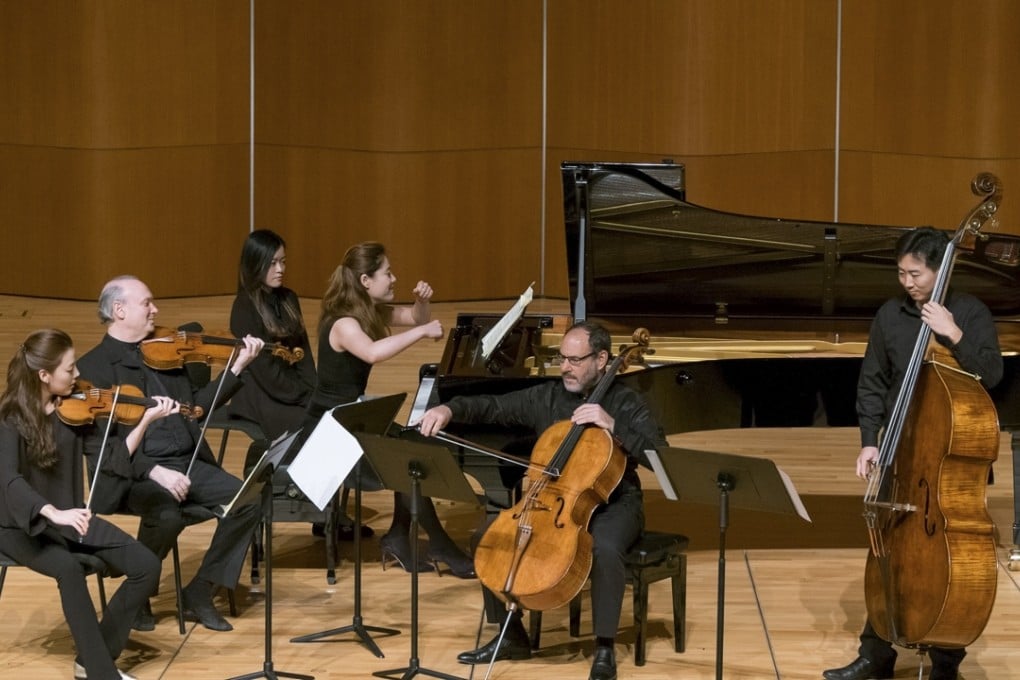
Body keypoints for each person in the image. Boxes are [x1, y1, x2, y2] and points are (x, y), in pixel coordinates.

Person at [416, 320, 667, 680]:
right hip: (552, 502)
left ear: (601, 359)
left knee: (606, 549)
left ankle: (604, 647)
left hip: (615, 502)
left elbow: (660, 456)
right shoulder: (548, 397)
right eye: (561, 358)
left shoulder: (627, 402)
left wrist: (613, 426)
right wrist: (449, 410)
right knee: (486, 538)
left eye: (575, 360)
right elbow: (491, 406)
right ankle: (512, 636)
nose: (564, 367)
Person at [822, 227, 1003, 680]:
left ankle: (946, 660)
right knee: (891, 547)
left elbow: (993, 374)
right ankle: (876, 650)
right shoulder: (889, 315)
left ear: (940, 270)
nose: (907, 282)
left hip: (949, 459)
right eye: (901, 273)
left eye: (916, 273)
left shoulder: (971, 312)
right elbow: (872, 383)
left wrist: (953, 333)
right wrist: (869, 440)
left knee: (947, 555)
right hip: (901, 455)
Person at [76, 275, 266, 632]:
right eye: (147, 303)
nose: (156, 309)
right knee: (167, 515)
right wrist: (155, 472)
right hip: (135, 472)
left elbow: (196, 410)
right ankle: (139, 588)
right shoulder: (94, 369)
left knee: (249, 498)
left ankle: (200, 590)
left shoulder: (164, 352)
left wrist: (235, 368)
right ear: (119, 310)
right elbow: (107, 445)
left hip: (188, 461)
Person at [298, 241, 475, 578]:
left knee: (411, 447)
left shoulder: (366, 311)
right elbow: (373, 353)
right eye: (387, 273)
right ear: (366, 280)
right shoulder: (343, 324)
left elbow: (412, 316)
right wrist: (423, 332)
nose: (394, 278)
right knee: (406, 460)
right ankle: (436, 543)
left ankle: (399, 535)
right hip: (331, 433)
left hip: (354, 421)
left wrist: (422, 304)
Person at [0, 329, 167, 680]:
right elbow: (9, 480)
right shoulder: (10, 417)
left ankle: (93, 656)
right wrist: (51, 511)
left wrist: (145, 422)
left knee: (146, 566)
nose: (77, 375)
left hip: (70, 517)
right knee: (69, 570)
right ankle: (102, 674)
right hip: (19, 524)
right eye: (69, 369)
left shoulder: (76, 409)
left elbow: (110, 463)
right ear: (44, 375)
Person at [228, 229, 316, 443]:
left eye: (283, 262)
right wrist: (304, 397)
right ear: (255, 264)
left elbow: (303, 354)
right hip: (259, 393)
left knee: (330, 415)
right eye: (273, 263)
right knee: (311, 427)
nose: (280, 269)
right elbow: (265, 371)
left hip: (291, 387)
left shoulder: (289, 298)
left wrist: (314, 391)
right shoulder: (244, 309)